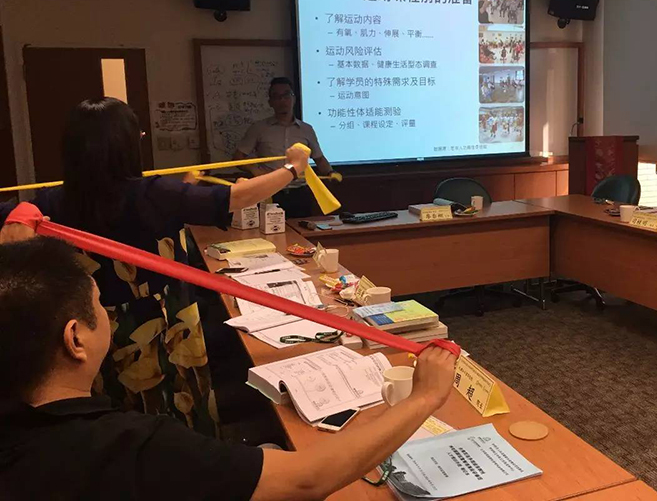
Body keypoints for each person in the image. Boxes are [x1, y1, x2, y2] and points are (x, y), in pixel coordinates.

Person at [0, 236, 458, 501]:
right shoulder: (127, 447)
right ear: (76, 339)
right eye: (99, 306)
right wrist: (424, 397)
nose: (107, 317)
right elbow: (308, 478)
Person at [0, 97, 309, 435]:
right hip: (161, 322)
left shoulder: (52, 200)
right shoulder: (153, 193)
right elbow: (238, 197)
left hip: (91, 328)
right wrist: (293, 168)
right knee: (172, 407)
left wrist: (20, 212)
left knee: (109, 414)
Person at [234, 77, 332, 218]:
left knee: (301, 229)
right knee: (270, 230)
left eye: (286, 95)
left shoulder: (306, 129)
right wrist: (255, 170)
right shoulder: (258, 128)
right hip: (269, 192)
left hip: (300, 193)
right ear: (270, 102)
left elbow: (319, 159)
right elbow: (238, 157)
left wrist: (331, 173)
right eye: (276, 97)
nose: (282, 100)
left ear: (294, 98)